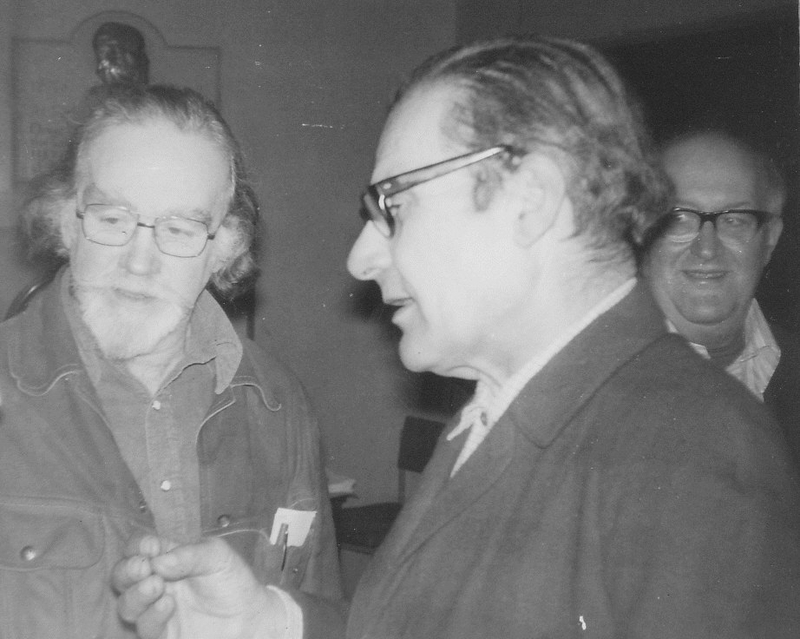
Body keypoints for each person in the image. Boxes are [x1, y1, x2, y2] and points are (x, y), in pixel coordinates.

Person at [113, 37, 800, 639]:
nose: (361, 257)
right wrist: (273, 621)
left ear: (530, 199)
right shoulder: (493, 411)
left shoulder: (691, 453)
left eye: (395, 206)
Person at [0, 84, 341, 638]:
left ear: (223, 248)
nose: (140, 262)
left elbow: (313, 610)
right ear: (66, 223)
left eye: (178, 230)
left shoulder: (279, 404)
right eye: (112, 219)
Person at [642, 130, 800, 468]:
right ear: (642, 231)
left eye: (734, 221)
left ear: (769, 240)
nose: (706, 248)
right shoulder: (589, 380)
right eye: (679, 217)